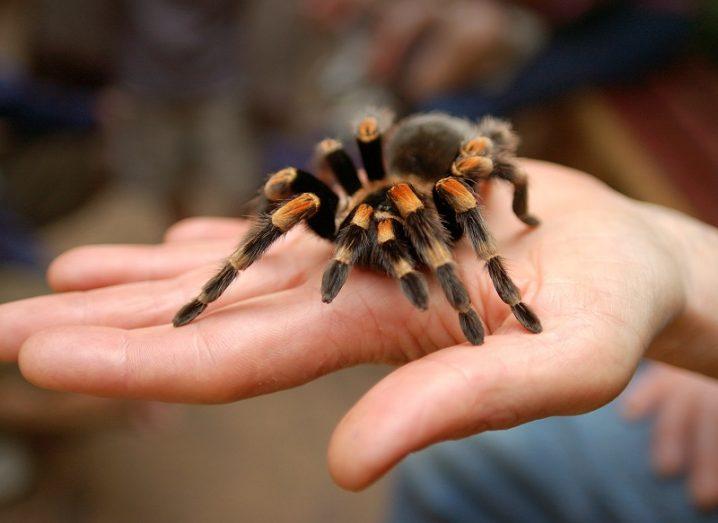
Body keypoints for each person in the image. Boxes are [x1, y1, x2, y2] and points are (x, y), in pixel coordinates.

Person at [0, 159, 717, 495]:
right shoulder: (342, 202)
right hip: (376, 192)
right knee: (445, 477)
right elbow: (294, 187)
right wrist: (225, 277)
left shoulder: (444, 190)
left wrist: (478, 295)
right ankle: (214, 284)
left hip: (418, 186)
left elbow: (470, 184)